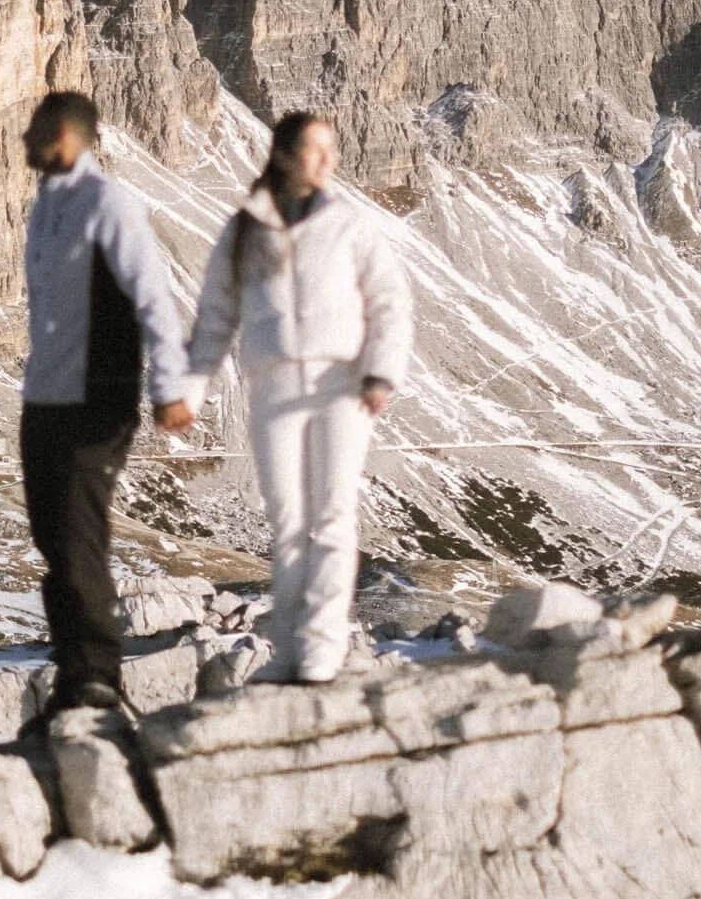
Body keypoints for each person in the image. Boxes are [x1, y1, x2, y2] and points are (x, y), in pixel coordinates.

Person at [187, 111, 412, 684]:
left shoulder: (349, 225)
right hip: (274, 385)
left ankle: (323, 648)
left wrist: (381, 372)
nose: (329, 161)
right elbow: (216, 314)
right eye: (317, 149)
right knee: (286, 521)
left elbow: (388, 299)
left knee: (333, 514)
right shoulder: (246, 230)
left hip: (342, 382)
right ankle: (287, 646)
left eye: (331, 150)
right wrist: (193, 388)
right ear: (286, 155)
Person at [20, 90, 194, 713]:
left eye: (36, 128)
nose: (24, 138)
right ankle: (73, 672)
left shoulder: (106, 203)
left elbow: (152, 295)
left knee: (78, 536)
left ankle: (96, 676)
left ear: (65, 137)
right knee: (51, 538)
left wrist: (168, 388)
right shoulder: (44, 208)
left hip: (97, 395)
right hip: (44, 397)